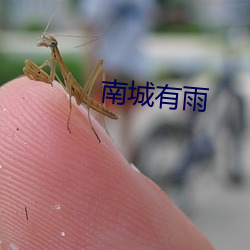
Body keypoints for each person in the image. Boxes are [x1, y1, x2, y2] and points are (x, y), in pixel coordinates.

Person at [0, 77, 213, 249]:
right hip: (114, 83)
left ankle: (117, 150)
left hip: (111, 88)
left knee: (105, 122)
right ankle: (120, 151)